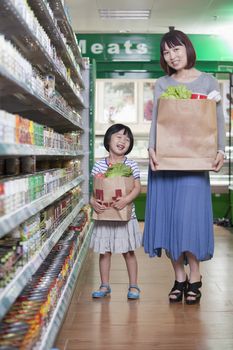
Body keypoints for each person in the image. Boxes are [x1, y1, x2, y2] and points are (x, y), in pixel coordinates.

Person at [143, 30, 225, 305]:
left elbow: (218, 121)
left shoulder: (208, 81)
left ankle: (196, 275)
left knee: (189, 219)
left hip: (194, 163)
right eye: (166, 52)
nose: (172, 56)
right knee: (170, 220)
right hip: (165, 163)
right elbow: (157, 122)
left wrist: (220, 150)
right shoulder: (162, 84)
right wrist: (151, 149)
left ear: (188, 49)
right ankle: (179, 277)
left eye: (176, 49)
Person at [90, 123, 142, 299]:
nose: (123, 141)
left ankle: (134, 286)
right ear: (108, 140)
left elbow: (137, 187)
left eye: (127, 139)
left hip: (125, 215)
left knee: (128, 252)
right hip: (105, 215)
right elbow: (94, 191)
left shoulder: (132, 165)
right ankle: (105, 285)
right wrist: (93, 202)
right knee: (104, 252)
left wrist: (126, 199)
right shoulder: (98, 166)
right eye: (119, 137)